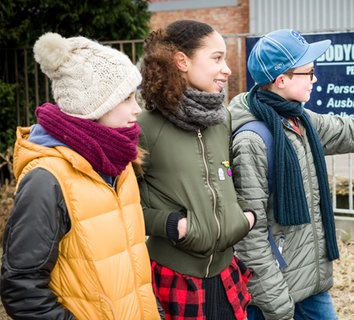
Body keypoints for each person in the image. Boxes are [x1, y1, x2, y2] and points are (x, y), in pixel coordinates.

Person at [228, 29, 354, 320]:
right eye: (308, 72)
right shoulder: (252, 140)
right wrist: (276, 302)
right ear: (281, 80)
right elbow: (250, 235)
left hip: (310, 283)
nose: (315, 78)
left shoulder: (300, 120)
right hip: (273, 293)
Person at [0, 32, 160, 319]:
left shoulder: (118, 164)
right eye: (126, 98)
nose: (137, 109)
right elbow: (22, 288)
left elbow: (132, 264)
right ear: (91, 106)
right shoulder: (46, 179)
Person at [137, 19, 256, 320]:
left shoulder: (222, 118)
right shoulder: (144, 126)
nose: (227, 69)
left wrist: (242, 217)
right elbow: (121, 203)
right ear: (182, 61)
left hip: (226, 271)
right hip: (175, 276)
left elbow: (225, 177)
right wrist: (170, 224)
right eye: (216, 58)